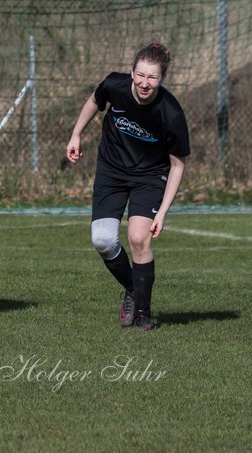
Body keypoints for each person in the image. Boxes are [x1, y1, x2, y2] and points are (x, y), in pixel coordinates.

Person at [66, 43, 190, 331]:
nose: (145, 83)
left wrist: (163, 213)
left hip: (150, 177)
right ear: (132, 71)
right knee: (102, 240)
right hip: (111, 170)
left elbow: (178, 165)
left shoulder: (170, 113)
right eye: (140, 75)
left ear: (162, 78)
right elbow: (94, 101)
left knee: (137, 238)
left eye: (152, 78)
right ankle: (134, 288)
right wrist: (76, 134)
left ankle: (144, 313)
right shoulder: (115, 84)